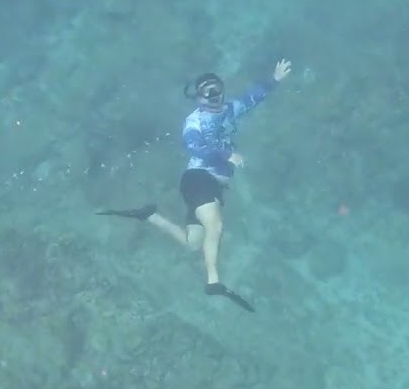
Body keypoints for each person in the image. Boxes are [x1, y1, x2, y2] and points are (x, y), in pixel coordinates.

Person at [98, 59, 292, 312]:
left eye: (217, 91)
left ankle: (150, 216)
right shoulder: (194, 122)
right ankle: (214, 282)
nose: (214, 97)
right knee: (217, 225)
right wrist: (226, 155)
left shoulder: (230, 109)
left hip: (209, 187)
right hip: (199, 179)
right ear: (199, 98)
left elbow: (252, 97)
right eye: (208, 93)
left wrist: (274, 79)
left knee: (193, 245)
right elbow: (194, 146)